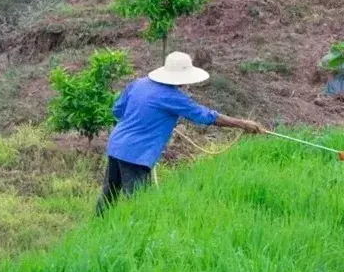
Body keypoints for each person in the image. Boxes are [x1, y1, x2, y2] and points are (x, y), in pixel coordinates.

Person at [96, 51, 266, 216]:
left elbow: (118, 110)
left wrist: (147, 119)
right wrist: (243, 124)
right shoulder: (173, 97)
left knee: (109, 195)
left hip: (116, 145)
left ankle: (99, 227)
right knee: (139, 205)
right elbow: (205, 116)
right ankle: (134, 237)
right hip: (136, 153)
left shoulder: (138, 83)